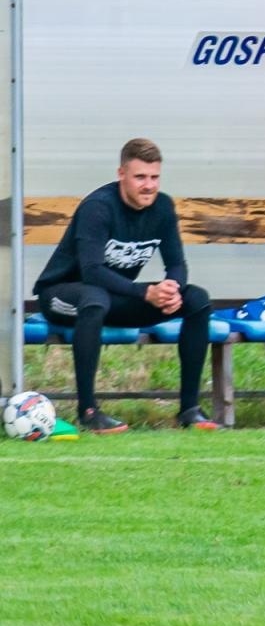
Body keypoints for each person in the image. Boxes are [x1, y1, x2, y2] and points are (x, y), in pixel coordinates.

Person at [34, 138, 219, 433]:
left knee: (196, 298)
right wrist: (146, 292)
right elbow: (92, 271)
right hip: (62, 297)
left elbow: (176, 263)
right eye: (140, 177)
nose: (149, 186)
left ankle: (189, 410)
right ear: (122, 174)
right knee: (94, 298)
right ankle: (89, 412)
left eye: (154, 177)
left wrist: (172, 288)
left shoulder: (162, 207)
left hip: (112, 298)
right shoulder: (98, 207)